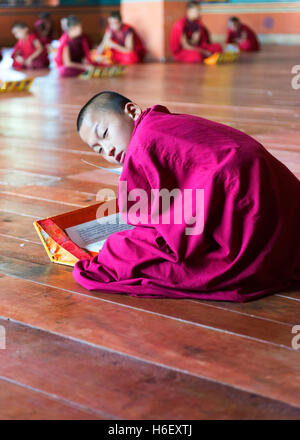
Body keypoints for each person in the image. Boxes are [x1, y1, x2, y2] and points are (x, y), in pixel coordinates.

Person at [72, 91, 300, 302]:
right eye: (99, 149)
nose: (108, 149)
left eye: (105, 134)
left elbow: (173, 234)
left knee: (116, 255)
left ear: (132, 111)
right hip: (285, 206)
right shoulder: (162, 125)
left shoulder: (145, 142)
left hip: (253, 218)